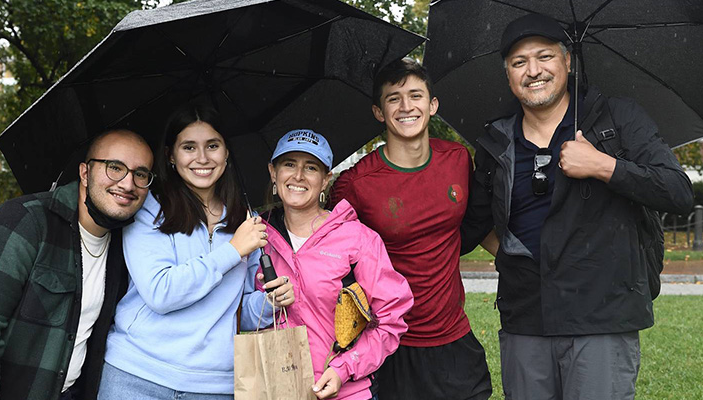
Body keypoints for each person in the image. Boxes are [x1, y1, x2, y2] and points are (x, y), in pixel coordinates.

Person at [460, 13, 694, 400]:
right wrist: (519, 256)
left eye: (544, 57)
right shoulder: (496, 142)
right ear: (508, 75)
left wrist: (604, 166)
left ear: (568, 61)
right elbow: (471, 225)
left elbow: (677, 191)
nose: (533, 71)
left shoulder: (617, 119)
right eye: (519, 63)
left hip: (601, 318)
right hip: (526, 321)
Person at [0, 129, 154, 400]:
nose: (128, 184)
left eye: (140, 174)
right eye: (115, 167)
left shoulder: (123, 248)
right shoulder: (24, 222)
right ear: (84, 173)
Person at [97, 104, 293, 400]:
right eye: (189, 147)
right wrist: (232, 251)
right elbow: (161, 293)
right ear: (171, 155)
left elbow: (237, 313)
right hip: (137, 376)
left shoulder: (244, 221)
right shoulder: (150, 207)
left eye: (212, 146)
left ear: (227, 153)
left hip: (214, 387)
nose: (202, 158)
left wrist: (270, 303)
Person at [329, 58, 493, 400]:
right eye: (394, 98)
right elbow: (328, 256)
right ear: (378, 111)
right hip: (392, 343)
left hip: (454, 339)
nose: (406, 107)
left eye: (416, 95)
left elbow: (475, 230)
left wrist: (527, 264)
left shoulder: (459, 159)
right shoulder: (356, 184)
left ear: (432, 105)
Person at [262, 129, 413, 400]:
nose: (298, 176)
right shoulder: (255, 237)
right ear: (273, 173)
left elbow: (391, 320)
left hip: (345, 392)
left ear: (325, 180)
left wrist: (344, 368)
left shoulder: (357, 239)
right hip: (277, 388)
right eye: (289, 164)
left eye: (310, 167)